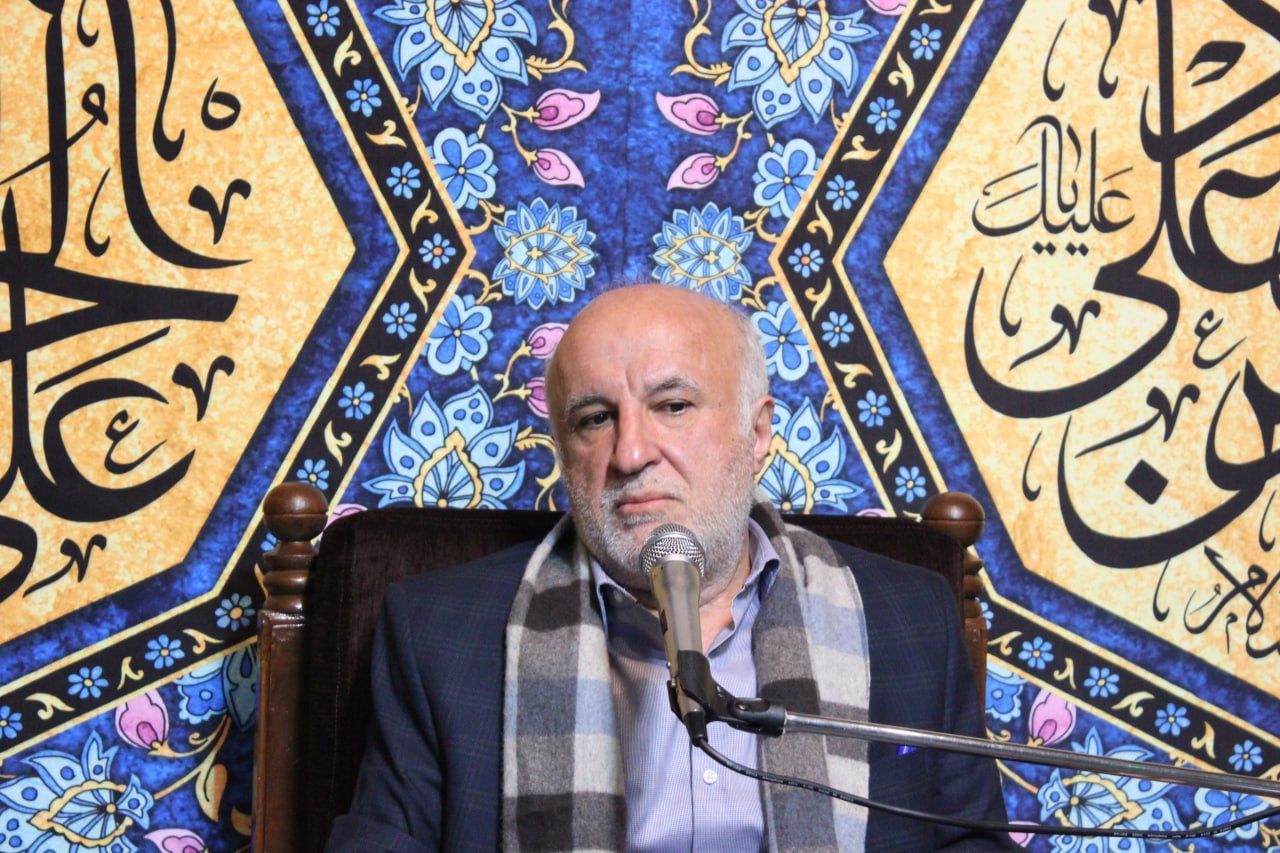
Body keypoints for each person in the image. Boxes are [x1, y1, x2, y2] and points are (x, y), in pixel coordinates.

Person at [328, 284, 1013, 851]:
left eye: (673, 406)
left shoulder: (907, 618)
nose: (630, 453)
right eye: (595, 418)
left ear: (757, 432)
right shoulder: (438, 635)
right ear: (563, 448)